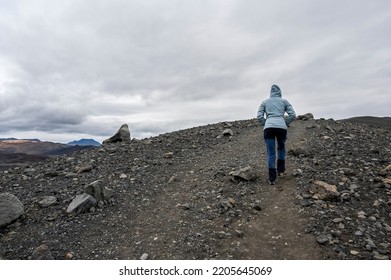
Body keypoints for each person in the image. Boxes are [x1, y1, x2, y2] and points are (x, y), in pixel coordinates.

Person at [257, 84, 296, 185]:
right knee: (281, 148)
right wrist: (285, 123)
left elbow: (259, 116)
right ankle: (281, 170)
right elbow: (293, 115)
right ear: (280, 92)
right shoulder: (284, 101)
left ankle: (272, 178)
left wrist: (265, 123)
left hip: (268, 128)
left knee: (271, 152)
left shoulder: (265, 102)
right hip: (281, 128)